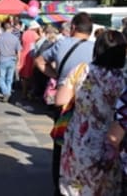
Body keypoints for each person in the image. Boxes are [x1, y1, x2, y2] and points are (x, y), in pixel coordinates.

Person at [57, 30, 126, 195]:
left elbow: (60, 99)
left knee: (76, 186)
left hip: (80, 137)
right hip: (112, 141)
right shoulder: (124, 78)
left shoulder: (81, 70)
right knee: (105, 187)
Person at [35, 12, 94, 196]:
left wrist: (56, 75)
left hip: (63, 101)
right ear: (90, 31)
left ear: (73, 27)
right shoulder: (95, 49)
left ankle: (58, 184)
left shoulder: (61, 44)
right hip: (87, 102)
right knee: (84, 143)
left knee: (60, 143)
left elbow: (39, 61)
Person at [0, 22, 21, 103]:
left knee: (1, 78)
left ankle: (6, 92)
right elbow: (19, 51)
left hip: (2, 58)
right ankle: (8, 92)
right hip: (12, 59)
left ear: (3, 29)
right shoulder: (15, 38)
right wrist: (19, 61)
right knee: (9, 79)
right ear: (11, 28)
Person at [18, 20, 41, 99]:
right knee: (31, 75)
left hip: (23, 54)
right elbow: (39, 42)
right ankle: (29, 92)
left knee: (24, 75)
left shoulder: (24, 33)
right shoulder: (35, 34)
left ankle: (23, 92)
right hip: (31, 55)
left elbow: (22, 42)